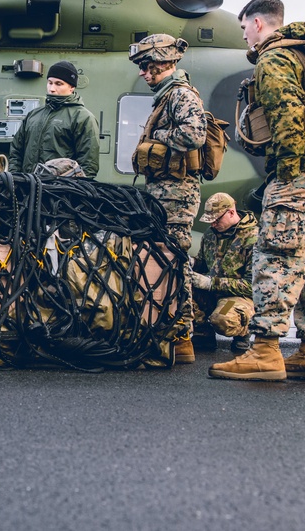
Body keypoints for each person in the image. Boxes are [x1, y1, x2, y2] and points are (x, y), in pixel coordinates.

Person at [210, 0, 305, 382]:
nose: (244, 38)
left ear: (258, 24)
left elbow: (287, 117)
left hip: (302, 176)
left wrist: (285, 177)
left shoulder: (276, 58)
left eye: (244, 29)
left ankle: (265, 351)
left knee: (276, 256)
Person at [128, 34, 206, 364]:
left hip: (177, 194)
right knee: (169, 261)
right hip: (166, 193)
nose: (144, 74)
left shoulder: (180, 95)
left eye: (147, 67)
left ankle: (182, 336)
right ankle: (178, 335)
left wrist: (158, 135)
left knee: (175, 262)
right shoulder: (167, 96)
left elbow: (194, 133)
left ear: (163, 63)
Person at [189, 193, 258, 354]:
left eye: (217, 219)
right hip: (211, 293)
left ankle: (243, 334)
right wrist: (192, 263)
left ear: (231, 213)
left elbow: (252, 286)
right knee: (180, 294)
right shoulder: (210, 234)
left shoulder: (253, 239)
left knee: (223, 319)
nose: (213, 224)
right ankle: (203, 334)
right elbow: (204, 262)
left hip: (235, 298)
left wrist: (211, 283)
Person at [8, 60, 100, 177]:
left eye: (58, 84)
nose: (52, 88)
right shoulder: (33, 115)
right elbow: (16, 151)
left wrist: (68, 190)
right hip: (28, 188)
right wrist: (15, 179)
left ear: (71, 87)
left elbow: (89, 165)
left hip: (59, 192)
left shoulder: (83, 118)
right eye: (50, 82)